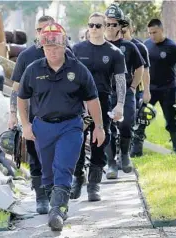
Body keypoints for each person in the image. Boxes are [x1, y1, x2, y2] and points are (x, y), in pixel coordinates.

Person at [17, 22, 105, 231]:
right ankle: (55, 202)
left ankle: (58, 210)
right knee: (47, 172)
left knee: (64, 165)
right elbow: (22, 98)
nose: (52, 52)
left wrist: (99, 127)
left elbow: (93, 100)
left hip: (71, 126)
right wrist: (25, 125)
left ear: (64, 46)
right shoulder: (33, 70)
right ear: (43, 48)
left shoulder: (78, 69)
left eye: (56, 47)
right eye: (48, 48)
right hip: (42, 127)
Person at [8, 15, 72, 215]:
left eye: (47, 29)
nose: (43, 33)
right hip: (35, 119)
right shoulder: (26, 56)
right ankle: (41, 197)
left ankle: (57, 197)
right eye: (39, 30)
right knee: (36, 159)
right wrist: (13, 115)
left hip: (63, 118)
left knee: (59, 160)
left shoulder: (67, 53)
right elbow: (16, 89)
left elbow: (78, 84)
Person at [70, 12, 127, 201]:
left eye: (98, 26)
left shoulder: (114, 53)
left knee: (99, 141)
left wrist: (119, 105)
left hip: (102, 101)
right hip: (78, 102)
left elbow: (120, 82)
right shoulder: (76, 50)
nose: (94, 29)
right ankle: (78, 177)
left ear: (106, 27)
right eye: (91, 25)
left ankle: (94, 185)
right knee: (76, 140)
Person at [131, 19, 176, 156]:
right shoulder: (146, 45)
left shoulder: (172, 46)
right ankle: (136, 149)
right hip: (150, 89)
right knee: (141, 117)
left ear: (162, 30)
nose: (152, 35)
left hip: (169, 89)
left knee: (170, 118)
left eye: (155, 32)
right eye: (150, 33)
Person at [104, 4, 145, 179]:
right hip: (105, 93)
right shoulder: (99, 46)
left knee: (127, 123)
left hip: (126, 92)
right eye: (108, 24)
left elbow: (140, 67)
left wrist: (134, 87)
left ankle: (125, 154)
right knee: (107, 129)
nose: (111, 27)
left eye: (115, 24)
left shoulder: (129, 47)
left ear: (121, 26)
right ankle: (111, 163)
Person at [122, 16, 151, 105]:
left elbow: (145, 71)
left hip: (133, 89)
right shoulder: (111, 45)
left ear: (131, 28)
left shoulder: (140, 47)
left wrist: (146, 91)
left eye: (125, 27)